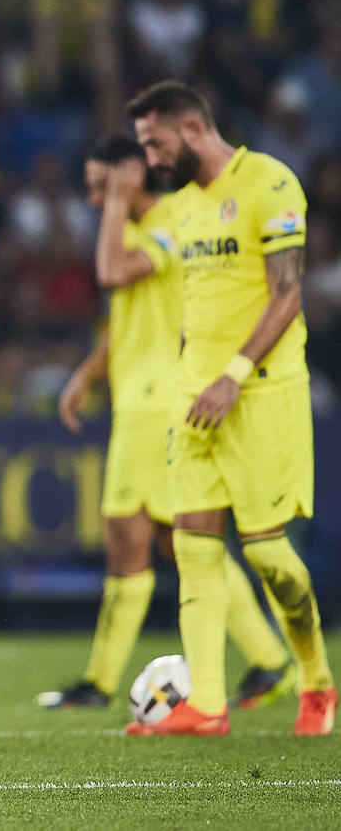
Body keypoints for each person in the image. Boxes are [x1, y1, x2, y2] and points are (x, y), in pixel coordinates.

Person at [42, 136, 293, 710]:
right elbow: (127, 312)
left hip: (158, 402)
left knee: (127, 536)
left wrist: (117, 202)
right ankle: (267, 660)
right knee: (176, 538)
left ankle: (101, 683)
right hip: (140, 395)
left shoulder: (176, 221)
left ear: (132, 177)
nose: (92, 197)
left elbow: (111, 274)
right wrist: (89, 371)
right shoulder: (139, 226)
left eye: (100, 184)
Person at [122, 80, 335, 737]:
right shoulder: (180, 208)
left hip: (262, 393)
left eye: (155, 145)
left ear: (191, 131)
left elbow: (288, 295)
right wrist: (196, 377)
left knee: (269, 556)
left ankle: (318, 680)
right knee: (194, 547)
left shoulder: (270, 185)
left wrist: (234, 376)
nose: (151, 161)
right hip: (194, 400)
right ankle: (208, 704)